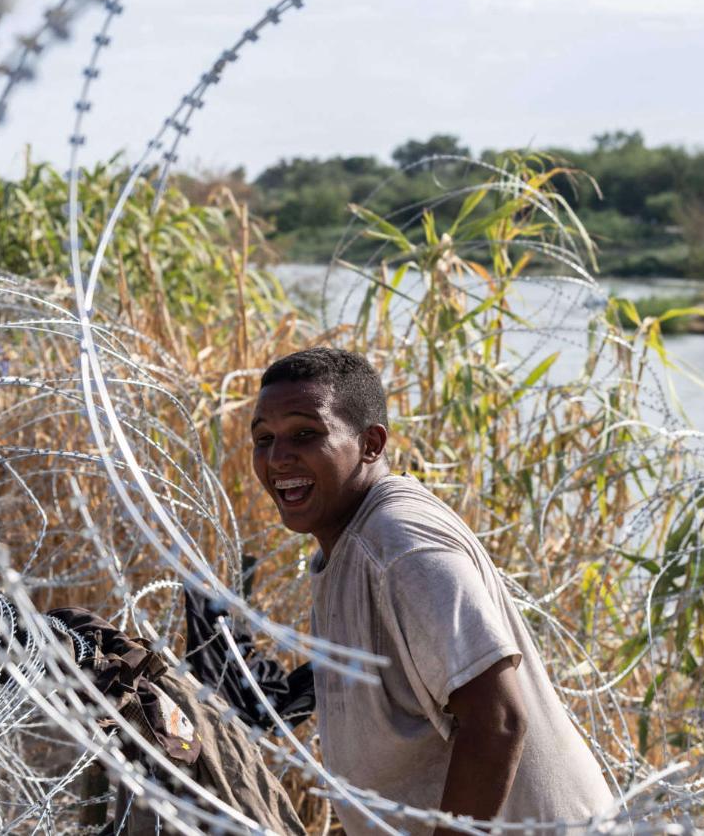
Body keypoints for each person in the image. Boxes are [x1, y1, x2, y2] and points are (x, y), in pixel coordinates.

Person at [250, 347, 615, 836]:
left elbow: (498, 719)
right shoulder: (350, 543)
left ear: (371, 444)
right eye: (263, 439)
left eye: (305, 434)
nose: (277, 458)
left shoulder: (401, 544)